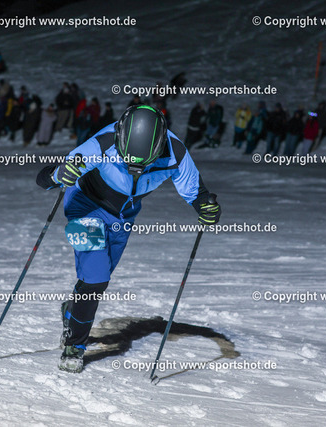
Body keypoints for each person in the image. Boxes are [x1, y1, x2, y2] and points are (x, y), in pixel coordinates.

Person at [35, 105, 221, 373]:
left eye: (143, 165)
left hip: (124, 215)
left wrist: (206, 206)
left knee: (96, 279)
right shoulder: (102, 143)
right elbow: (46, 178)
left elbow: (196, 192)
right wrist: (58, 175)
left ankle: (72, 311)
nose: (135, 170)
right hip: (85, 205)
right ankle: (75, 345)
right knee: (96, 277)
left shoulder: (175, 152)